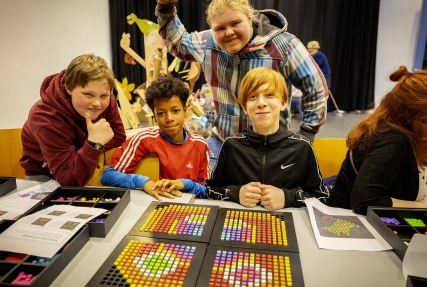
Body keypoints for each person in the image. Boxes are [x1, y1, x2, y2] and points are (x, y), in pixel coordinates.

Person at [155, 0, 328, 168]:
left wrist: (306, 135)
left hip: (272, 147)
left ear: (250, 18)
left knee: (266, 196)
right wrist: (166, 7)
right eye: (220, 28)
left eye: (235, 23)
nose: (228, 32)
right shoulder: (208, 43)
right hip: (223, 142)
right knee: (210, 192)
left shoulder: (283, 45)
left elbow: (316, 88)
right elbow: (177, 43)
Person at [327, 66, 427, 215]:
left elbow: (416, 184)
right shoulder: (393, 142)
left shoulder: (414, 132)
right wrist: (426, 211)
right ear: (406, 117)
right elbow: (365, 202)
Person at [206, 67, 329, 210]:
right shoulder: (231, 145)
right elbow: (211, 190)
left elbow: (321, 196)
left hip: (285, 226)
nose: (261, 103)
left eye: (269, 95)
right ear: (245, 107)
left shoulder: (302, 147)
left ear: (283, 103)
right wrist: (236, 193)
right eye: (253, 96)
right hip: (239, 225)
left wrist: (287, 197)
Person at [20, 54, 126, 186]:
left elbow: (119, 136)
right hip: (42, 175)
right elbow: (69, 182)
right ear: (69, 87)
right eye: (88, 94)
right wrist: (93, 143)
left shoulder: (108, 100)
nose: (98, 103)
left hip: (80, 169)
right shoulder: (45, 117)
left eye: (104, 95)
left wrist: (81, 151)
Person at [101, 76, 211, 200]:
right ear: (154, 118)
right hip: (155, 206)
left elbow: (209, 191)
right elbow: (107, 176)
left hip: (191, 211)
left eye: (175, 111)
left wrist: (185, 184)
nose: (169, 118)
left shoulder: (200, 144)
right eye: (161, 113)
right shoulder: (143, 140)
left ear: (185, 111)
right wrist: (144, 182)